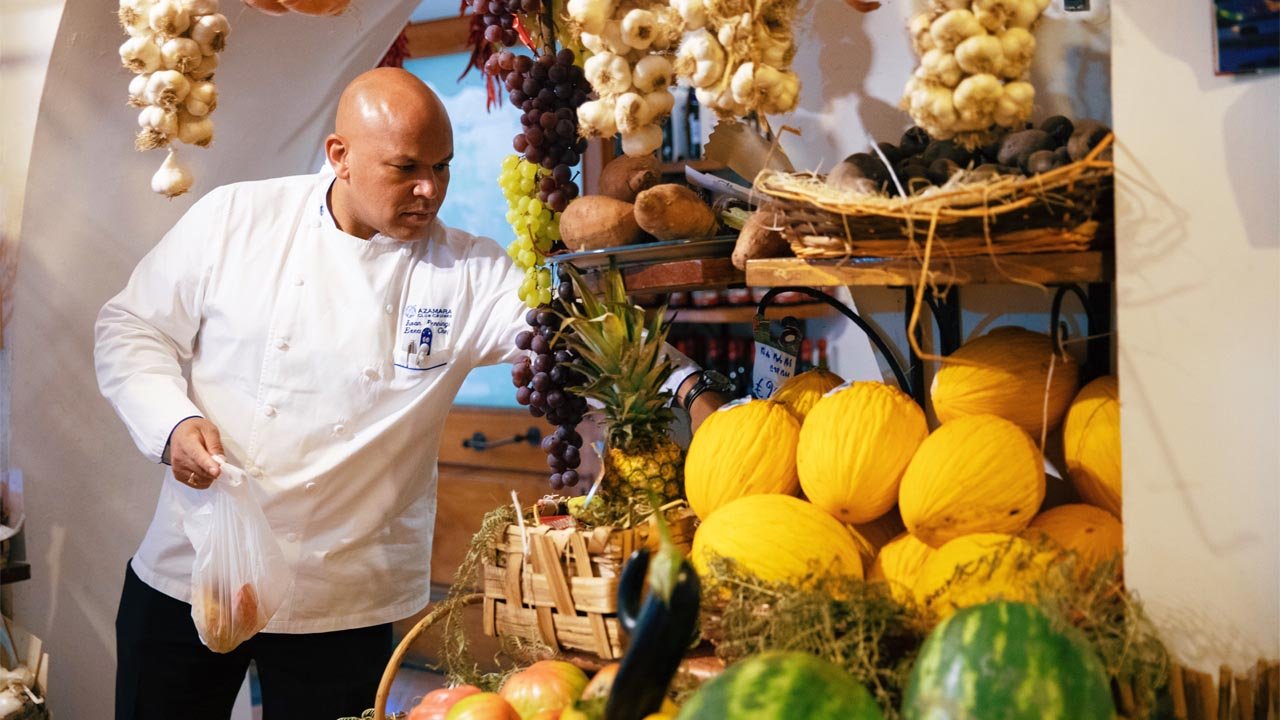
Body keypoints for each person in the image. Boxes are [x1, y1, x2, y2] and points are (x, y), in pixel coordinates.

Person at [95, 68, 730, 720]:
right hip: (193, 569)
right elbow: (130, 327)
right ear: (339, 156)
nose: (430, 190)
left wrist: (692, 389)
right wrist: (171, 424)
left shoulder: (467, 271)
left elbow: (579, 335)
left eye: (442, 167)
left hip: (343, 601)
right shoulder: (237, 221)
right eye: (405, 169)